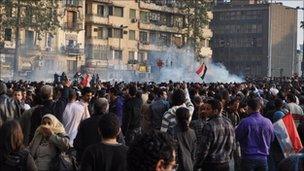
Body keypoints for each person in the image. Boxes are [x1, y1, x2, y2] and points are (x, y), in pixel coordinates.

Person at [194, 99, 235, 171]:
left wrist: (197, 164)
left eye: (208, 109)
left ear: (215, 111)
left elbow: (203, 149)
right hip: (225, 163)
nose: (205, 111)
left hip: (211, 164)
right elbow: (232, 144)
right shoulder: (229, 123)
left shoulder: (209, 126)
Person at [236, 97, 274, 171]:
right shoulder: (268, 122)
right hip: (263, 158)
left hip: (248, 158)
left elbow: (236, 136)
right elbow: (272, 138)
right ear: (259, 108)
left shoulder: (245, 122)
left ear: (249, 107)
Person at [74, 98, 110, 162]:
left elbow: (77, 143)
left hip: (87, 160)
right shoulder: (112, 123)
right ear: (107, 110)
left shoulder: (85, 123)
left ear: (94, 108)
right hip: (106, 160)